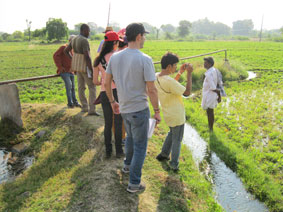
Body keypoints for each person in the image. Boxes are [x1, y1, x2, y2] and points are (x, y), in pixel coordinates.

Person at [104, 23, 161, 193]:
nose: (145, 39)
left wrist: (113, 102)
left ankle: (127, 166)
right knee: (140, 146)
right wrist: (157, 111)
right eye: (144, 35)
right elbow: (151, 89)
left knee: (129, 138)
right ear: (138, 36)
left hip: (124, 108)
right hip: (139, 109)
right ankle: (134, 184)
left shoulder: (115, 57)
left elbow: (107, 83)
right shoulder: (145, 59)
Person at [155, 52, 193, 172]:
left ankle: (164, 154)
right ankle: (174, 164)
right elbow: (187, 93)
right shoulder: (169, 81)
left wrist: (180, 73)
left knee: (171, 133)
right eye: (175, 66)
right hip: (177, 115)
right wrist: (189, 74)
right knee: (177, 140)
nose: (176, 67)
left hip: (168, 113)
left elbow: (172, 85)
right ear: (169, 66)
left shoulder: (157, 76)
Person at [93, 31, 124, 158]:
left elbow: (95, 81)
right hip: (118, 92)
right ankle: (119, 151)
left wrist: (104, 80)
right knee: (117, 122)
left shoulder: (98, 59)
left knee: (107, 123)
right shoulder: (119, 56)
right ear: (115, 43)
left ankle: (108, 151)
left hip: (105, 92)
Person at [64, 24, 99, 116]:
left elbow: (66, 51)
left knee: (81, 87)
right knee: (92, 87)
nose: (89, 33)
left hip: (77, 67)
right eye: (88, 30)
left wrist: (73, 59)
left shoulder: (74, 39)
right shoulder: (84, 40)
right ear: (83, 30)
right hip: (85, 67)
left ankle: (84, 107)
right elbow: (87, 56)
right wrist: (91, 69)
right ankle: (92, 110)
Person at [53, 35, 81, 108]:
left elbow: (72, 61)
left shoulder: (73, 50)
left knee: (72, 87)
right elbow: (55, 55)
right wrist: (60, 67)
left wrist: (74, 69)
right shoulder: (63, 47)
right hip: (64, 71)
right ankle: (70, 103)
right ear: (69, 41)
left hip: (70, 71)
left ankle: (75, 102)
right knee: (69, 85)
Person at [202, 57, 221, 131]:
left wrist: (219, 96)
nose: (204, 64)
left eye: (205, 63)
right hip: (211, 94)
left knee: (209, 112)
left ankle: (210, 129)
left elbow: (213, 87)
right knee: (210, 111)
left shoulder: (209, 74)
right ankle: (210, 127)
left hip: (210, 95)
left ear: (209, 64)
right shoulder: (213, 70)